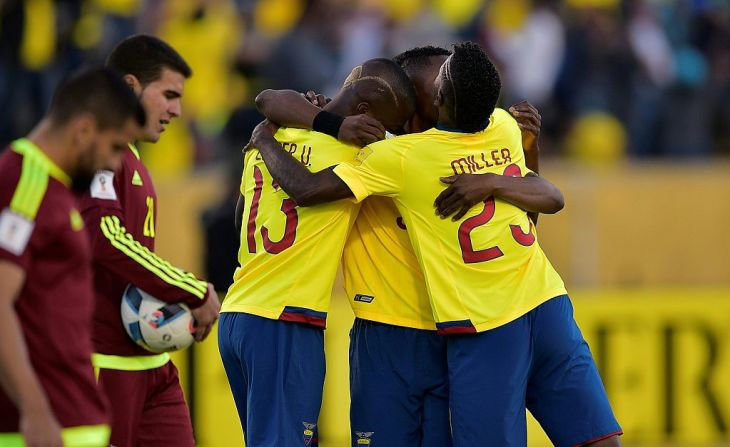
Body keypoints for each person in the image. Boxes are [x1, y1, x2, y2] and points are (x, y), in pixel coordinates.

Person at [249, 41, 622, 447]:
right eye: (433, 84)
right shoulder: (489, 127)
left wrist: (304, 125)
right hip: (394, 330)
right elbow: (544, 202)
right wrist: (328, 119)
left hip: (455, 330)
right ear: (410, 101)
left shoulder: (398, 156)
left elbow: (279, 121)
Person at [218, 57, 416, 447]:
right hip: (286, 319)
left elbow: (241, 219)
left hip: (238, 314)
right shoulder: (358, 157)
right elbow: (307, 189)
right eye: (388, 125)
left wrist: (269, 138)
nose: (388, 135)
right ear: (364, 114)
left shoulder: (274, 133)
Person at [78, 35, 221, 447]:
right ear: (130, 85)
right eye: (169, 95)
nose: (177, 109)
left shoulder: (133, 154)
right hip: (104, 361)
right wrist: (190, 289)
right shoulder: (96, 147)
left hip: (151, 362)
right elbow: (105, 237)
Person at [0, 67, 145, 447]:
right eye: (115, 147)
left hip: (73, 421)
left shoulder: (54, 187)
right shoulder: (25, 182)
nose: (116, 165)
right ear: (83, 130)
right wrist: (35, 411)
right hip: (43, 427)